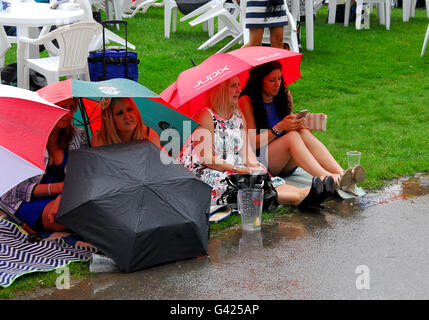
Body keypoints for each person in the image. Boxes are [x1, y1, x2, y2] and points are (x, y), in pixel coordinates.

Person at [179, 75, 333, 211]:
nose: (239, 90)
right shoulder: (205, 116)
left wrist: (255, 167)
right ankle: (299, 197)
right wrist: (236, 169)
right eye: (233, 86)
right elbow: (205, 157)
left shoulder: (238, 116)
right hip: (205, 172)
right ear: (221, 90)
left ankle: (306, 193)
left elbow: (247, 154)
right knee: (242, 182)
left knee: (260, 175)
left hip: (232, 167)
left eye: (239, 85)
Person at [239, 61, 365, 194]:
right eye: (272, 80)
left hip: (285, 162)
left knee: (301, 132)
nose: (277, 84)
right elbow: (252, 144)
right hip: (262, 161)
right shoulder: (247, 101)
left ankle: (343, 174)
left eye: (279, 79)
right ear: (259, 81)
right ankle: (328, 178)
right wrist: (279, 128)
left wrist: (297, 124)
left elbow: (289, 131)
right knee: (292, 137)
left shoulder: (283, 96)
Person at [0, 99, 87, 232]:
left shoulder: (78, 136)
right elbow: (15, 188)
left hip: (65, 197)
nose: (68, 113)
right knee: (67, 218)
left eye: (71, 107)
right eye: (63, 107)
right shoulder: (25, 138)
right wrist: (57, 188)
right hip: (25, 199)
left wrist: (62, 196)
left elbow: (81, 173)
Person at [91, 97, 160, 147]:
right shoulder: (100, 141)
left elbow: (157, 166)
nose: (127, 116)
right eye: (120, 113)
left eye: (129, 109)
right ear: (110, 120)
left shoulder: (150, 136)